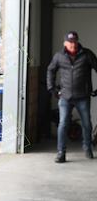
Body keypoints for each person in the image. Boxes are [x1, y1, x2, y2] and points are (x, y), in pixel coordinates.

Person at [47, 31, 97, 163]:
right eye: (70, 42)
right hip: (65, 97)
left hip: (83, 96)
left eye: (74, 41)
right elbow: (50, 70)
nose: (73, 44)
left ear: (77, 41)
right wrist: (52, 89)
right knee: (63, 124)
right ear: (65, 43)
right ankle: (61, 153)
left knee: (87, 123)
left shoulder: (87, 54)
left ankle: (87, 148)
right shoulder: (59, 56)